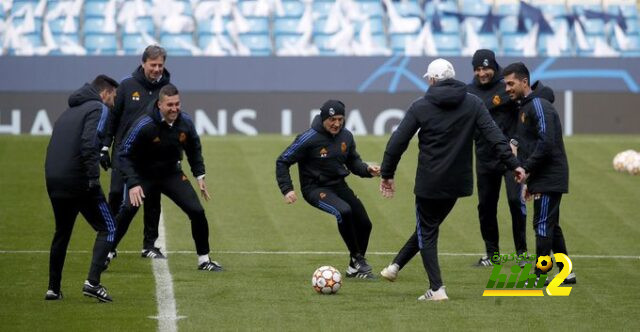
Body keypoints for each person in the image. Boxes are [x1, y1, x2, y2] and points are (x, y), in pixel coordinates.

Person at [378, 58, 525, 301]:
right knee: (429, 226)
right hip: (457, 183)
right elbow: (495, 137)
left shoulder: (421, 105)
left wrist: (387, 174)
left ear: (433, 80)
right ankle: (395, 266)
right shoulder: (474, 103)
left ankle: (436, 289)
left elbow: (397, 142)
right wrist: (515, 165)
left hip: (429, 181)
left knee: (427, 230)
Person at [109, 84, 223, 272]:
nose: (174, 109)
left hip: (171, 173)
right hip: (144, 174)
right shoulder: (144, 124)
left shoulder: (185, 122)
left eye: (177, 104)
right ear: (160, 105)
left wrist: (199, 175)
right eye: (170, 105)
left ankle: (204, 259)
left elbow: (194, 148)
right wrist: (133, 183)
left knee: (197, 211)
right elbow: (123, 154)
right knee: (128, 210)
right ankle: (107, 252)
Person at [276, 100, 381, 279]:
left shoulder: (346, 136)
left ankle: (354, 269)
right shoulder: (308, 138)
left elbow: (353, 162)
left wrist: (367, 170)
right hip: (315, 189)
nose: (337, 124)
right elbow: (283, 161)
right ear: (324, 118)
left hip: (339, 186)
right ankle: (357, 259)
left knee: (365, 224)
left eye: (340, 119)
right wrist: (287, 189)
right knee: (344, 211)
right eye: (332, 119)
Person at [44, 75, 119, 302]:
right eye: (114, 96)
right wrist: (93, 178)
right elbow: (88, 141)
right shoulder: (98, 107)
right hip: (79, 179)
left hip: (54, 178)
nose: (114, 101)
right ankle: (93, 283)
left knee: (62, 232)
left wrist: (99, 156)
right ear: (105, 93)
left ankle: (53, 289)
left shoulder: (68, 112)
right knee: (109, 228)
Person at [503, 62, 576, 285]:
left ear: (524, 82)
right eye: (505, 84)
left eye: (510, 83)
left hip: (549, 176)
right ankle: (567, 273)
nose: (507, 89)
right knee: (550, 224)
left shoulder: (539, 106)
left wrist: (526, 169)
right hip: (542, 176)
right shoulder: (526, 107)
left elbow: (547, 142)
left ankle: (540, 275)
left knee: (542, 224)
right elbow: (533, 143)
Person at [101, 45, 171, 260]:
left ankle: (149, 245)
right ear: (143, 63)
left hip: (153, 155)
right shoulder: (126, 85)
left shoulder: (167, 88)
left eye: (160, 65)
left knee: (152, 199)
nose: (157, 69)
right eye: (153, 65)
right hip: (124, 152)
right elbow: (113, 117)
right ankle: (108, 243)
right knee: (115, 196)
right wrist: (105, 146)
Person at [467, 49, 527, 267]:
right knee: (486, 206)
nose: (482, 73)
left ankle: (521, 253)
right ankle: (492, 255)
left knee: (514, 201)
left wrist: (516, 141)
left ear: (495, 67)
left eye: (486, 68)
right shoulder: (469, 91)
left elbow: (524, 115)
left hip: (511, 157)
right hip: (484, 156)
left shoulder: (508, 84)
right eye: (478, 69)